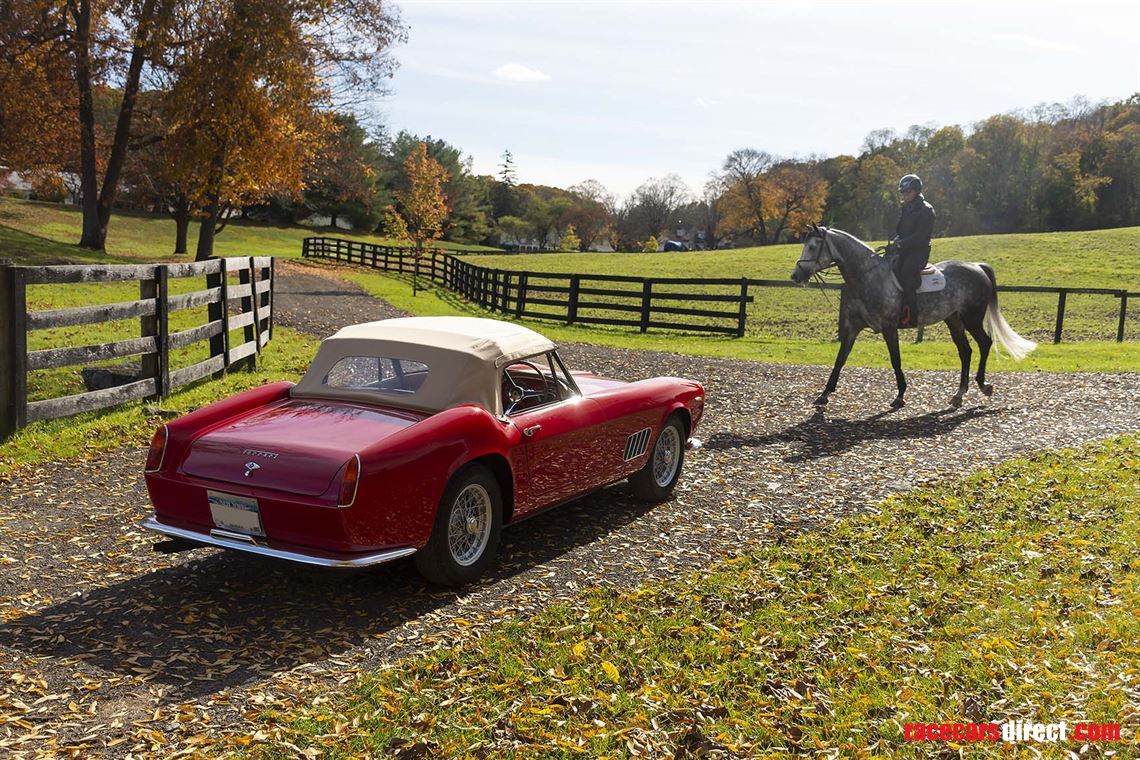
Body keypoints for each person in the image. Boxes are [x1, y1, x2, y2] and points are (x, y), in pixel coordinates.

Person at [888, 174, 935, 327]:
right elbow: (902, 231)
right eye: (902, 192)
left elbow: (920, 237)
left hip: (918, 253)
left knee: (907, 273)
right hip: (904, 250)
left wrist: (901, 244)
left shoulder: (926, 210)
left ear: (916, 191)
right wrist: (896, 241)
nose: (904, 195)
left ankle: (914, 314)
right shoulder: (906, 208)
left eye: (907, 192)